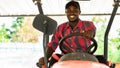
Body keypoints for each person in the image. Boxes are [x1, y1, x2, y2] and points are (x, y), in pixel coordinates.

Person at [38, 0, 96, 68]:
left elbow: (92, 31)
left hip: (86, 56)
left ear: (79, 12)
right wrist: (46, 57)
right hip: (66, 57)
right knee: (53, 60)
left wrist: (90, 33)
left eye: (75, 10)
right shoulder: (61, 28)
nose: (72, 12)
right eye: (68, 10)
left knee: (102, 59)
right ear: (66, 12)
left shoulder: (88, 24)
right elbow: (53, 44)